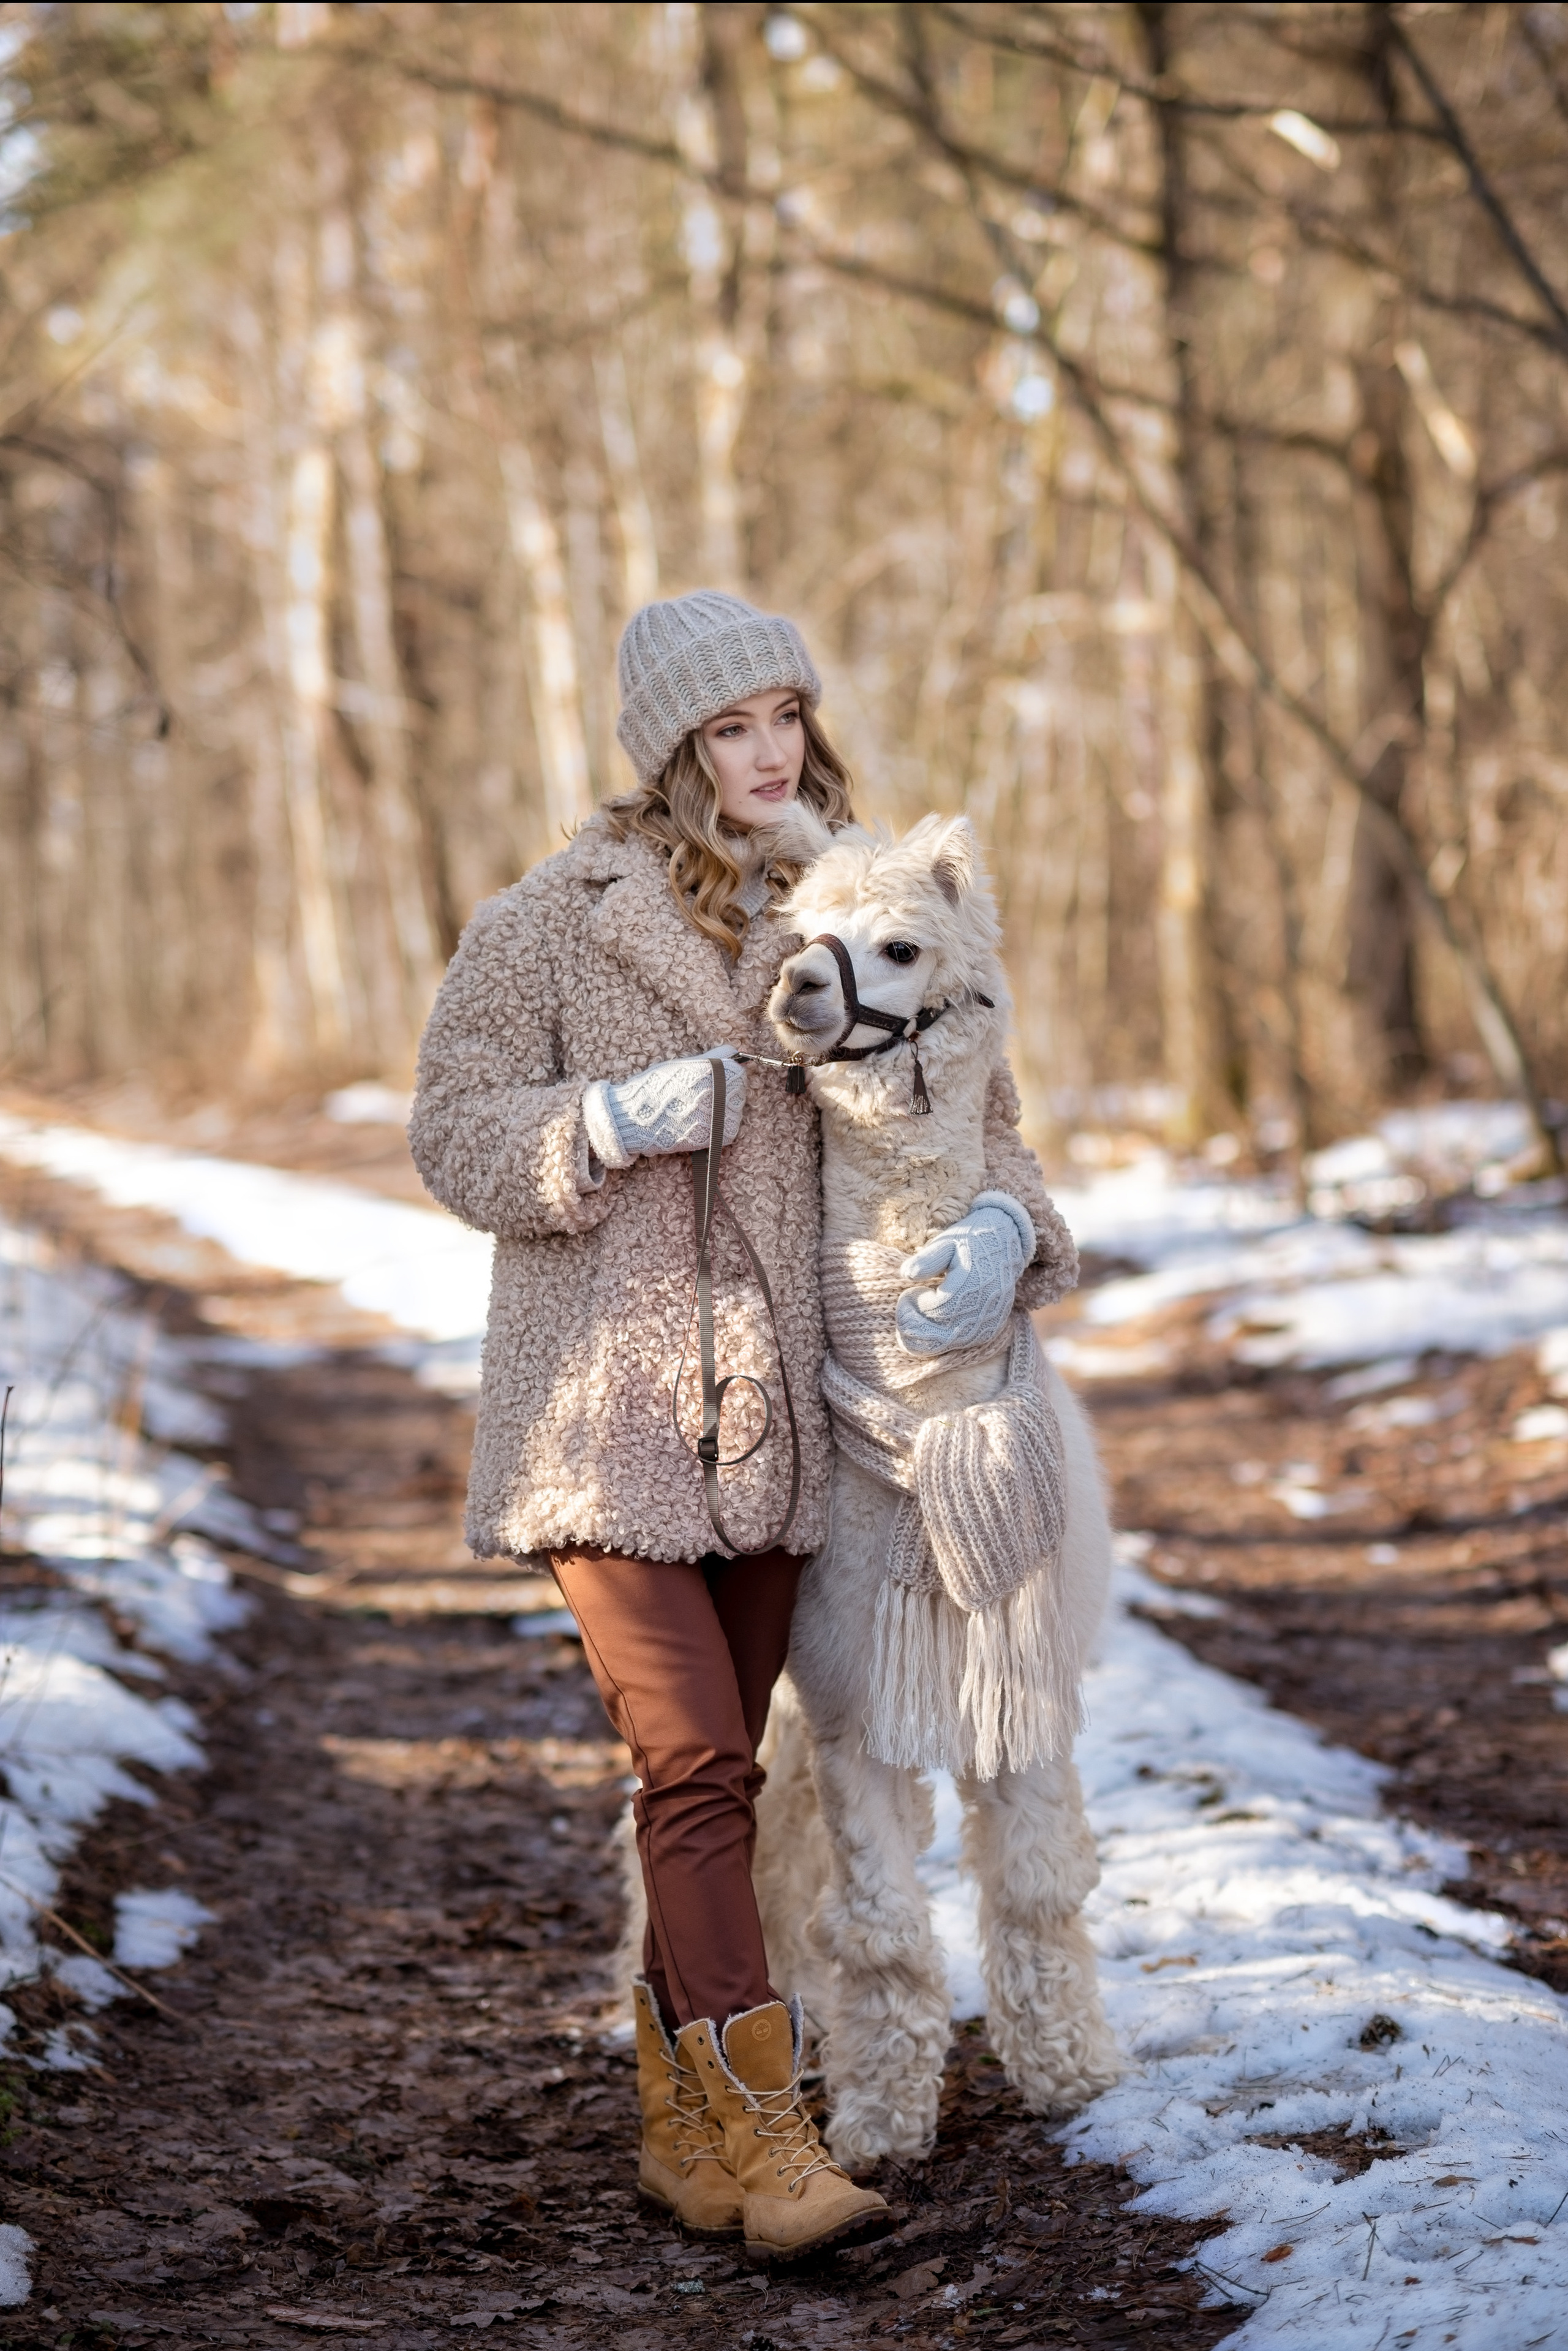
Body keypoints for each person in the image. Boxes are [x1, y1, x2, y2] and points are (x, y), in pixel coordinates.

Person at [409, 591, 1056, 2259]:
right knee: (694, 1756)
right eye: (729, 727)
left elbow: (994, 1127)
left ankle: (681, 2126)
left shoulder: (848, 904)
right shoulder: (552, 922)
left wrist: (1005, 1238)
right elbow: (452, 1132)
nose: (771, 755)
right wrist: (602, 1121)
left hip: (784, 1435)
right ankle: (769, 2140)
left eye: (786, 716)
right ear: (670, 750)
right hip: (600, 1413)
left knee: (720, 1771)